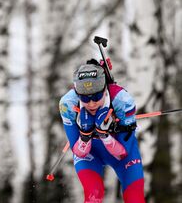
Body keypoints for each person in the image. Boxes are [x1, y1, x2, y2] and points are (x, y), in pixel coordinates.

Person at [59, 60, 145, 203]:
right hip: (90, 154)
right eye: (85, 98)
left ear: (105, 90)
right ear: (77, 93)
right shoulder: (68, 104)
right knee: (94, 195)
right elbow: (79, 152)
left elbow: (123, 153)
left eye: (97, 96)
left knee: (135, 198)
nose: (91, 103)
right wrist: (85, 135)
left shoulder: (123, 101)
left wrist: (104, 135)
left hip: (123, 155)